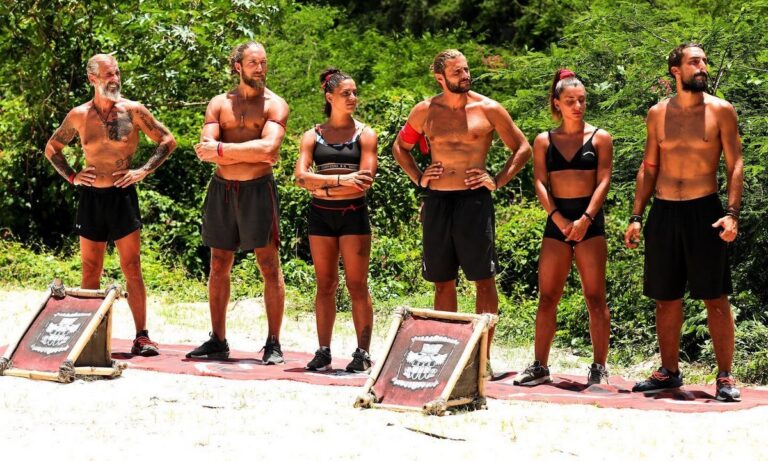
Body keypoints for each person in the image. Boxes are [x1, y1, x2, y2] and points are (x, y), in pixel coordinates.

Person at [392, 49, 532, 360]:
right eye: (457, 72)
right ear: (440, 78)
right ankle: (447, 355)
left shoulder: (489, 109)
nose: (466, 75)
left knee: (483, 279)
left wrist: (496, 179)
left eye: (466, 69)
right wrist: (418, 177)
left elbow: (523, 148)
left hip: (474, 201)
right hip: (438, 200)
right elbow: (400, 147)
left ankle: (482, 356)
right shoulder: (425, 111)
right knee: (443, 281)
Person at [624, 43, 744, 401]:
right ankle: (669, 372)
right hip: (663, 211)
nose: (702, 66)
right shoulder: (657, 113)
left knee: (715, 297)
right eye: (695, 62)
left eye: (704, 61)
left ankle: (725, 376)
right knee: (665, 298)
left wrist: (732, 214)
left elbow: (735, 164)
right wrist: (636, 216)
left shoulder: (721, 110)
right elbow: (649, 166)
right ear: (676, 70)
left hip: (705, 211)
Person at [44, 53, 177, 356]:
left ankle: (142, 336)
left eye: (117, 73)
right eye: (108, 75)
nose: (115, 79)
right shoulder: (79, 115)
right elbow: (52, 148)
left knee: (132, 266)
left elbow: (167, 141)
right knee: (91, 269)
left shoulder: (133, 110)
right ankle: (89, 336)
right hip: (91, 198)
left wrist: (142, 171)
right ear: (92, 79)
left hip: (122, 196)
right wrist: (72, 176)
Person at [189, 41, 289, 364]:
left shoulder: (275, 105)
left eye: (264, 62)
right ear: (238, 66)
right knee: (218, 263)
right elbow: (205, 148)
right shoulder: (219, 104)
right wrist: (246, 151)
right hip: (222, 189)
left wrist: (222, 150)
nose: (260, 68)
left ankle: (273, 343)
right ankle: (218, 340)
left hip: (258, 190)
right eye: (254, 63)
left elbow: (268, 150)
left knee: (268, 264)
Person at [513, 69, 613, 386]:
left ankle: (599, 367)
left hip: (589, 222)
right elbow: (540, 182)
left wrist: (585, 219)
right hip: (557, 222)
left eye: (582, 100)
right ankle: (540, 366)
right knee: (547, 297)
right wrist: (558, 217)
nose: (577, 106)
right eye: (570, 101)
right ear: (557, 103)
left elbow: (604, 181)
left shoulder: (600, 137)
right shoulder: (544, 140)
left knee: (595, 297)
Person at [294, 68, 377, 373]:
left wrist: (323, 185)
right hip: (321, 217)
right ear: (330, 97)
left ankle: (362, 352)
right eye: (346, 93)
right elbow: (300, 178)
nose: (353, 98)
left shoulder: (365, 134)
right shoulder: (312, 135)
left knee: (357, 285)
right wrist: (342, 179)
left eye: (355, 92)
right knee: (325, 284)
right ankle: (323, 351)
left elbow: (364, 182)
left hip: (353, 215)